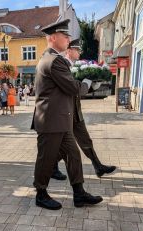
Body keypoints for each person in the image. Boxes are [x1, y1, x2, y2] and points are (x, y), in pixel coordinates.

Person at [31, 19, 102, 210]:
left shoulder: (53, 59)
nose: (69, 38)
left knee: (73, 155)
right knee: (46, 159)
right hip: (51, 121)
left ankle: (79, 194)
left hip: (59, 120)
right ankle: (41, 194)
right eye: (65, 35)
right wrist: (87, 84)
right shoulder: (53, 61)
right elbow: (73, 88)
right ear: (53, 38)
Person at [52, 39, 116, 180]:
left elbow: (78, 90)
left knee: (85, 140)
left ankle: (98, 166)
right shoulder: (62, 66)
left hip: (76, 112)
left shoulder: (78, 67)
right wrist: (85, 85)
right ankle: (51, 166)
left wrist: (92, 86)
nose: (80, 52)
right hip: (65, 113)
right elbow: (69, 89)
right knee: (65, 145)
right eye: (77, 50)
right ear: (69, 51)